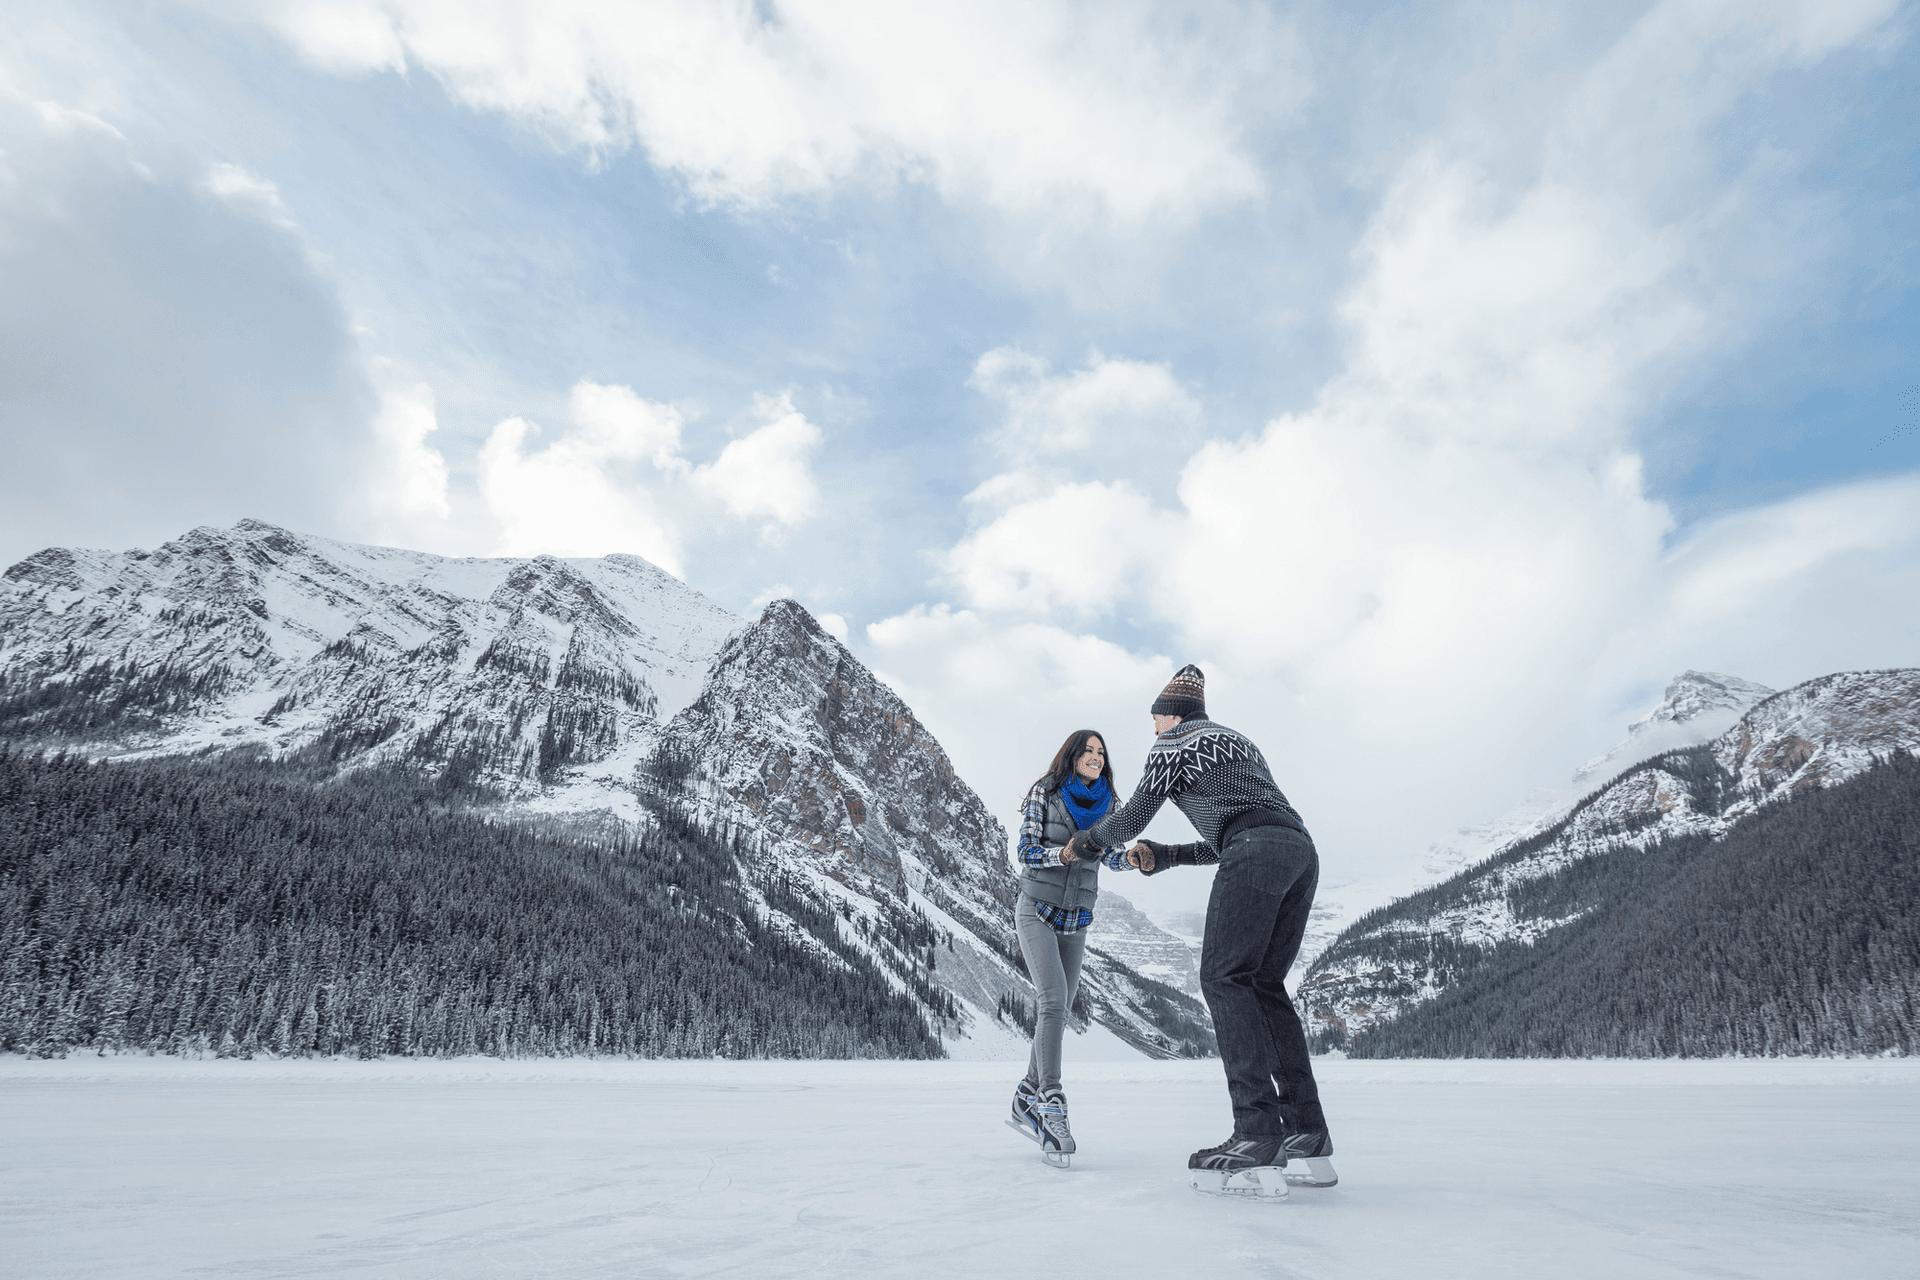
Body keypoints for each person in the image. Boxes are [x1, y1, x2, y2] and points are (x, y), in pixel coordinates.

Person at [1065, 664, 1336, 1189]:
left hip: (1256, 850)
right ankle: (1306, 1129)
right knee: (1264, 984)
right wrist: (1165, 856)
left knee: (1224, 978)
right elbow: (1241, 828)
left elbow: (1134, 816)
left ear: (1168, 714)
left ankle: (1257, 1132)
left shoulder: (1173, 745)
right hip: (1299, 852)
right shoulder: (1240, 744)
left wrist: (1088, 842)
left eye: (1154, 720)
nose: (1154, 730)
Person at [1006, 728, 1133, 1168]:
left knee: (1058, 1011)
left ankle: (1025, 1095)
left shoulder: (1110, 806)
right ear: (1073, 755)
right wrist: (1061, 855)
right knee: (1054, 1002)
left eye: (1102, 753)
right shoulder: (1047, 792)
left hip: (1077, 918)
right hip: (1037, 908)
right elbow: (1026, 849)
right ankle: (1051, 1103)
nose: (1096, 757)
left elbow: (1109, 855)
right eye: (1089, 751)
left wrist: (1131, 858)